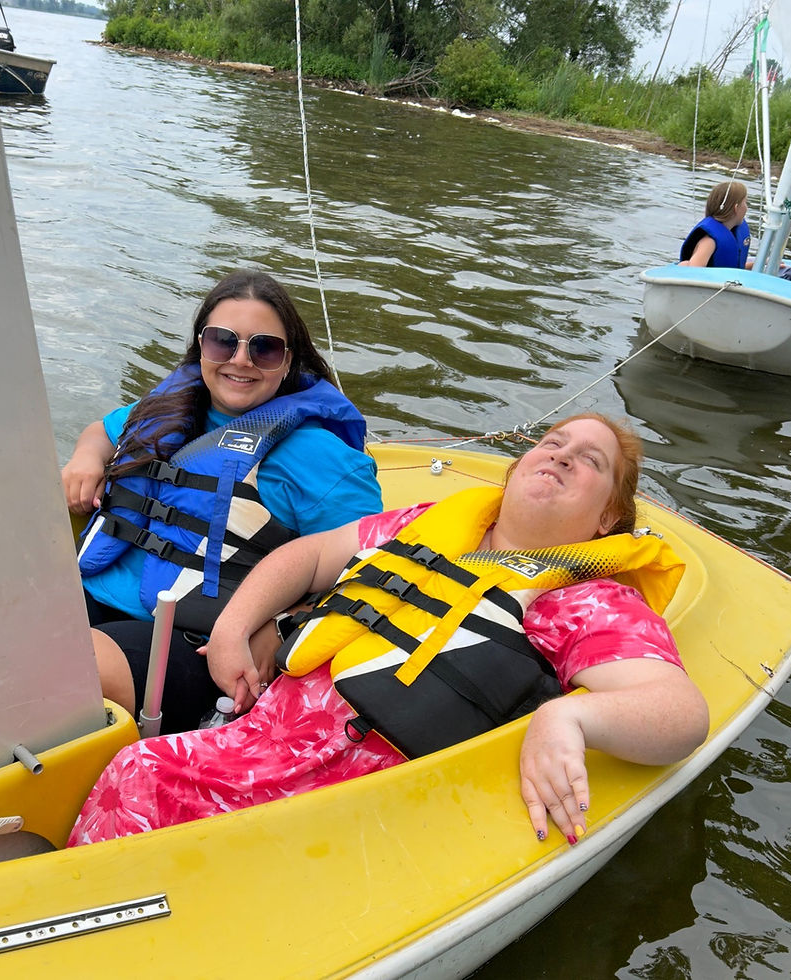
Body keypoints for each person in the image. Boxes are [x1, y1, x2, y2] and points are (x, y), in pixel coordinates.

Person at [68, 414, 710, 848]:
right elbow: (311, 556)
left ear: (608, 519)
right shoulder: (425, 524)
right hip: (254, 739)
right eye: (552, 443)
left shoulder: (585, 599)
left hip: (356, 805)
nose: (561, 456)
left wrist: (569, 718)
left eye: (589, 460)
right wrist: (237, 625)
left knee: (142, 776)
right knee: (137, 770)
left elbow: (679, 713)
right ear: (516, 470)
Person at [62, 269, 383, 732]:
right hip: (90, 591)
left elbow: (372, 567)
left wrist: (281, 626)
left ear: (288, 360)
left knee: (63, 670)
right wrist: (87, 459)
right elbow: (102, 431)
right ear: (201, 347)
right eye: (222, 342)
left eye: (264, 348)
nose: (241, 360)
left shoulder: (325, 461)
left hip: (194, 640)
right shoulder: (167, 408)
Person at [679, 180, 791, 279]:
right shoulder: (709, 241)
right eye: (745, 202)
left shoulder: (732, 232)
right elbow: (694, 272)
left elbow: (732, 269)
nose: (747, 207)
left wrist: (759, 264)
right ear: (736, 208)